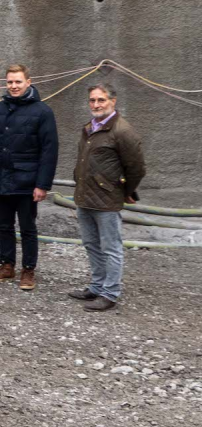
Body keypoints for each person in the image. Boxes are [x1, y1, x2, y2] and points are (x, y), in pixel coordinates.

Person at [0, 64, 58, 291]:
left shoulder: (43, 112)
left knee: (27, 227)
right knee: (3, 225)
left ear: (28, 82)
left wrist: (42, 184)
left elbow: (49, 151)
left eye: (18, 82)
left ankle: (28, 269)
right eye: (10, 82)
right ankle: (6, 265)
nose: (13, 86)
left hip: (27, 181)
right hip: (0, 179)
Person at [70, 83, 145, 312]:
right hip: (85, 197)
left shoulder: (122, 131)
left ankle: (110, 293)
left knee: (111, 247)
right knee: (91, 244)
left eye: (101, 100)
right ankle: (96, 286)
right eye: (93, 100)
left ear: (113, 101)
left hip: (106, 199)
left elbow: (136, 167)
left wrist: (127, 191)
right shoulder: (89, 127)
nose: (96, 104)